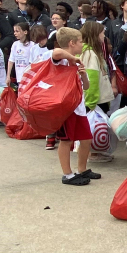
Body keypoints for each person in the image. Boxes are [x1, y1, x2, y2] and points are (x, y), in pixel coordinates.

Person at [48, 28, 94, 185]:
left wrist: (83, 74)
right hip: (67, 109)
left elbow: (86, 86)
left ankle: (82, 169)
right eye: (80, 41)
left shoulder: (76, 61)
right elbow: (56, 52)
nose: (83, 44)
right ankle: (67, 174)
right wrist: (73, 59)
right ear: (72, 43)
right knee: (66, 141)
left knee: (87, 138)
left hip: (79, 108)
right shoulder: (61, 60)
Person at [80, 21, 116, 162]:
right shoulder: (90, 54)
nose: (104, 35)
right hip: (95, 99)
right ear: (95, 34)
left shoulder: (90, 52)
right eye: (102, 32)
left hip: (95, 98)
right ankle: (93, 153)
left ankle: (95, 152)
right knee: (94, 126)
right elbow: (92, 81)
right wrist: (91, 104)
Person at [6, 21, 33, 89]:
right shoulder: (15, 44)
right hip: (19, 77)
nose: (15, 33)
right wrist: (8, 76)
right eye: (14, 31)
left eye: (17, 31)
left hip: (30, 77)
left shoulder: (32, 45)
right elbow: (11, 61)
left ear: (25, 32)